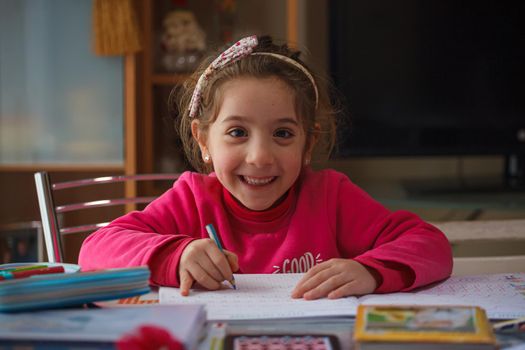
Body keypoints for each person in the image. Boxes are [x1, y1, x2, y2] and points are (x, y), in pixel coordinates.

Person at [79, 35, 453, 299]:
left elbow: (432, 245)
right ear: (204, 140)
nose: (260, 157)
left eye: (284, 134)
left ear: (309, 143)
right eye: (238, 132)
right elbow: (95, 249)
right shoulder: (191, 197)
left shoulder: (330, 196)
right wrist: (175, 256)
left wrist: (370, 272)